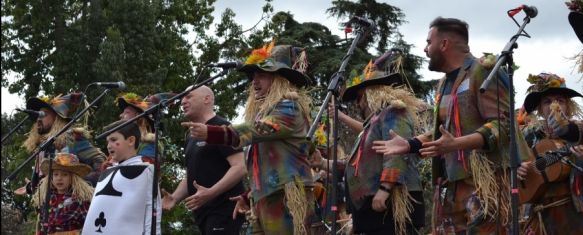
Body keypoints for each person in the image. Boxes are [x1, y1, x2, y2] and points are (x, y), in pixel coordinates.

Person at [372, 17, 531, 234]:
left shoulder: (483, 71)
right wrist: (410, 145)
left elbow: (504, 124)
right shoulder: (444, 83)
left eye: (429, 42)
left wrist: (457, 143)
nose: (425, 48)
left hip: (487, 184)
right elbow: (445, 132)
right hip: (452, 186)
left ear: (444, 44)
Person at [183, 42, 315, 234]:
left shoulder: (290, 108)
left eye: (261, 75)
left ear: (278, 79)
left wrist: (213, 132)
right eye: (253, 76)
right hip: (264, 198)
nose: (254, 81)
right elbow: (264, 166)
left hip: (284, 197)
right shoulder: (268, 111)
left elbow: (258, 130)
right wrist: (248, 195)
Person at [313, 50, 426, 234]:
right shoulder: (370, 126)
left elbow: (397, 153)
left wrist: (385, 188)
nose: (358, 104)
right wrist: (322, 163)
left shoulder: (393, 112)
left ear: (372, 93)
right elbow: (357, 167)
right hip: (370, 209)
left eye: (359, 98)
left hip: (390, 205)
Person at [161, 85, 246, 234]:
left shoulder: (221, 127)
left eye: (188, 96)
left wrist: (211, 192)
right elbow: (191, 175)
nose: (182, 101)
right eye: (182, 97)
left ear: (207, 99)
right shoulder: (192, 136)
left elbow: (240, 167)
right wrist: (174, 197)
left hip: (224, 211)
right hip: (204, 214)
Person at [516, 73, 583, 234]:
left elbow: (576, 132)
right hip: (538, 213)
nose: (554, 105)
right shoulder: (527, 135)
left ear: (568, 105)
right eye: (547, 101)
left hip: (574, 214)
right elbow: (509, 167)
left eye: (560, 100)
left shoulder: (579, 129)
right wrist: (518, 169)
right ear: (539, 108)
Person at [16, 93, 106, 195]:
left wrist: (77, 183)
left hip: (72, 206)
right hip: (50, 207)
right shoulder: (44, 146)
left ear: (57, 118)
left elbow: (100, 160)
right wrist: (30, 187)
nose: (38, 119)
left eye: (44, 114)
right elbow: (46, 182)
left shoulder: (70, 138)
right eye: (37, 115)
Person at [82, 120, 161, 235]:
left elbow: (152, 211)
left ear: (130, 141)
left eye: (114, 140)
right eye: (108, 141)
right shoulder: (106, 172)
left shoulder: (145, 171)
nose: (109, 146)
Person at [100, 92, 176, 170]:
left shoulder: (150, 143)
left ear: (139, 118)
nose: (121, 115)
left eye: (127, 112)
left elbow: (143, 170)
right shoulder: (118, 144)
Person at [31, 153, 94, 235]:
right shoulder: (47, 198)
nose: (59, 178)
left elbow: (89, 225)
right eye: (56, 174)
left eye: (65, 175)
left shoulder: (80, 200)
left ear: (72, 178)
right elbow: (43, 226)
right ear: (51, 177)